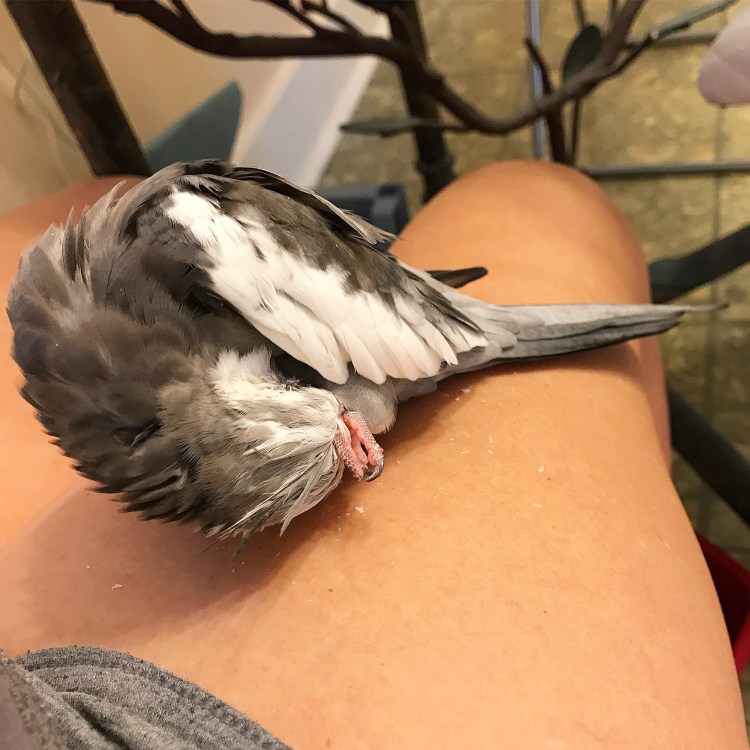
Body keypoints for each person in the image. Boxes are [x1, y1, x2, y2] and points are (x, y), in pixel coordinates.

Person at [0, 161, 746, 749]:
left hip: (401, 330)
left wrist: (349, 392)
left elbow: (373, 372)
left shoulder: (184, 235)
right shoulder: (90, 354)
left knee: (541, 206)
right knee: (544, 191)